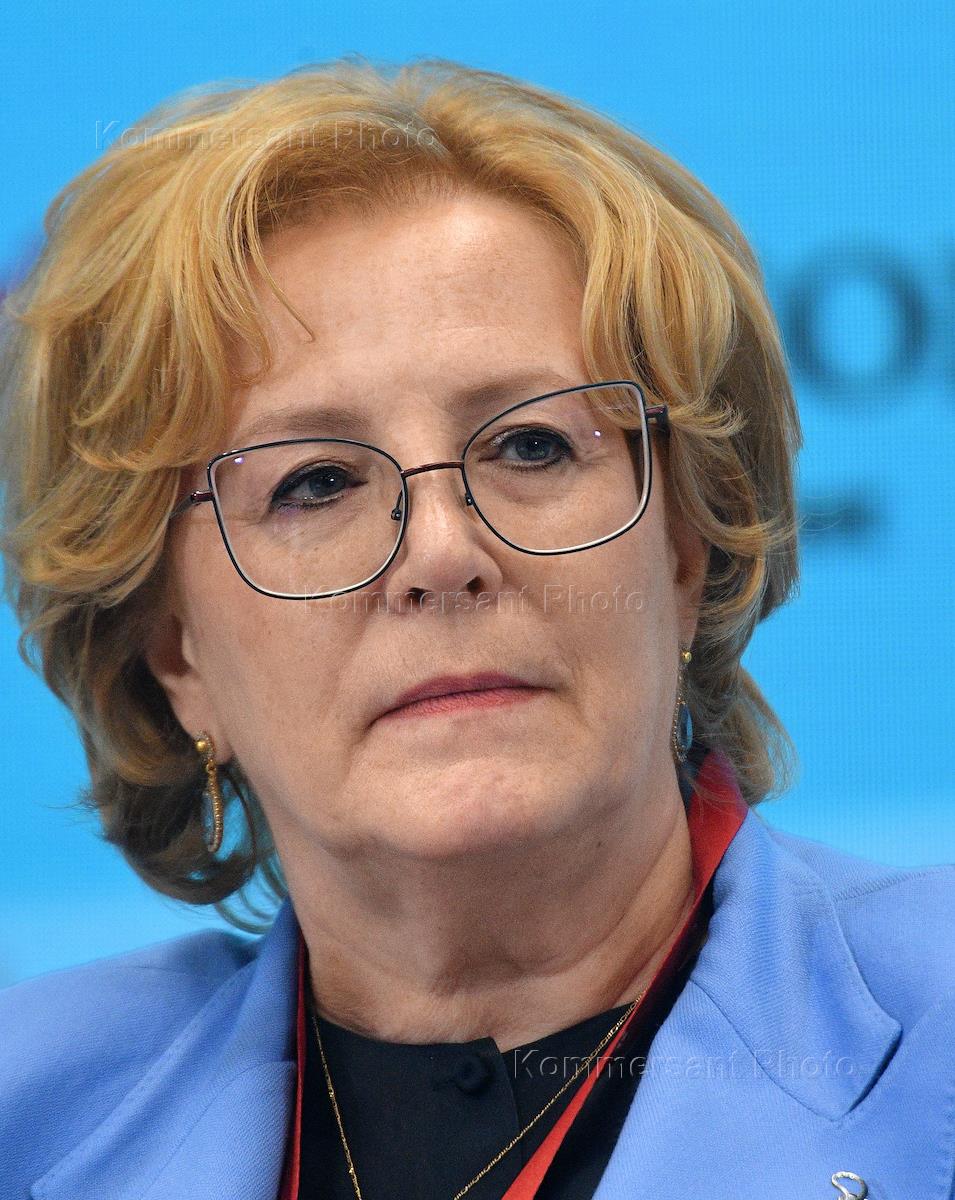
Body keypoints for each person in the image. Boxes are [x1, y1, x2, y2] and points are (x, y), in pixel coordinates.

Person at [0, 56, 952, 1200]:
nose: (440, 554)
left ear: (685, 549)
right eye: (313, 483)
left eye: (532, 446)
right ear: (174, 651)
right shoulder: (29, 1117)